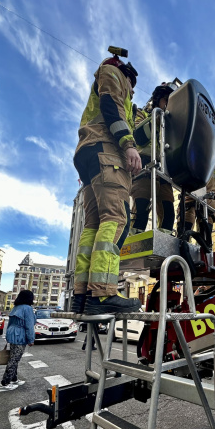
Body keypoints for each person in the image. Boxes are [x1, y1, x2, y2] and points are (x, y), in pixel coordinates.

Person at [71, 48, 142, 316]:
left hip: (88, 155)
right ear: (128, 76)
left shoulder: (103, 79)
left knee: (93, 225)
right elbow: (111, 105)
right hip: (106, 151)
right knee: (116, 218)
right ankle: (103, 293)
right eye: (133, 87)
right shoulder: (113, 73)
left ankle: (83, 293)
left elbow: (114, 108)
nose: (133, 93)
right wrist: (128, 145)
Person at [129, 82, 178, 235]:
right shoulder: (142, 114)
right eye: (166, 100)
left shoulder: (169, 124)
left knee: (169, 214)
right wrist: (156, 119)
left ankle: (164, 248)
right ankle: (132, 246)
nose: (168, 105)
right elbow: (139, 137)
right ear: (158, 99)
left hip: (163, 169)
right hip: (143, 163)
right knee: (141, 211)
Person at [178, 151, 215, 236]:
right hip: (189, 194)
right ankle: (183, 245)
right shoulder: (189, 141)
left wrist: (214, 159)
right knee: (183, 232)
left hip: (208, 197)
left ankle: (204, 247)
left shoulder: (214, 149)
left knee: (205, 234)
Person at [0, 290, 35, 392]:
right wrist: (31, 339)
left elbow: (10, 324)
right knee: (14, 359)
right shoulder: (27, 308)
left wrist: (8, 336)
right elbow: (29, 326)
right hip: (20, 335)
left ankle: (14, 379)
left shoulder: (16, 308)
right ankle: (4, 383)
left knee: (14, 357)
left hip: (12, 333)